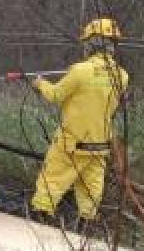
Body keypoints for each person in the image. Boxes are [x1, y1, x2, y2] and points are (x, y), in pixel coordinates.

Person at [28, 17, 129, 225]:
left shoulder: (81, 71)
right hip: (100, 145)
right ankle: (87, 233)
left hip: (72, 143)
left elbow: (55, 95)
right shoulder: (122, 76)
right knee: (91, 192)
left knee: (51, 182)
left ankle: (40, 223)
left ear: (91, 43)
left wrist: (39, 84)